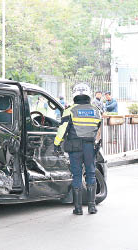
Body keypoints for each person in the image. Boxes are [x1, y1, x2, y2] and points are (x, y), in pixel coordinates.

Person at [53, 83, 101, 215]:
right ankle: (92, 206)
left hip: (75, 147)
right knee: (91, 173)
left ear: (74, 95)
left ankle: (78, 208)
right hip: (90, 147)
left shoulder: (70, 110)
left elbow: (62, 129)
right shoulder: (95, 110)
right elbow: (99, 128)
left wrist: (56, 144)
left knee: (77, 175)